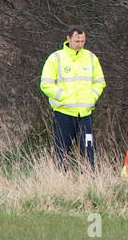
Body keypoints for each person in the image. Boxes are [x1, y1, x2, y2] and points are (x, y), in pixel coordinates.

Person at [40, 27, 106, 168]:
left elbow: (100, 82)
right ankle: (61, 179)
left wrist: (91, 98)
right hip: (63, 112)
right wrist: (63, 97)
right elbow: (46, 84)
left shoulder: (91, 58)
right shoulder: (56, 58)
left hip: (85, 113)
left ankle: (89, 180)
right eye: (77, 41)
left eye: (82, 41)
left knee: (88, 152)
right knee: (62, 151)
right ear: (68, 38)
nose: (80, 44)